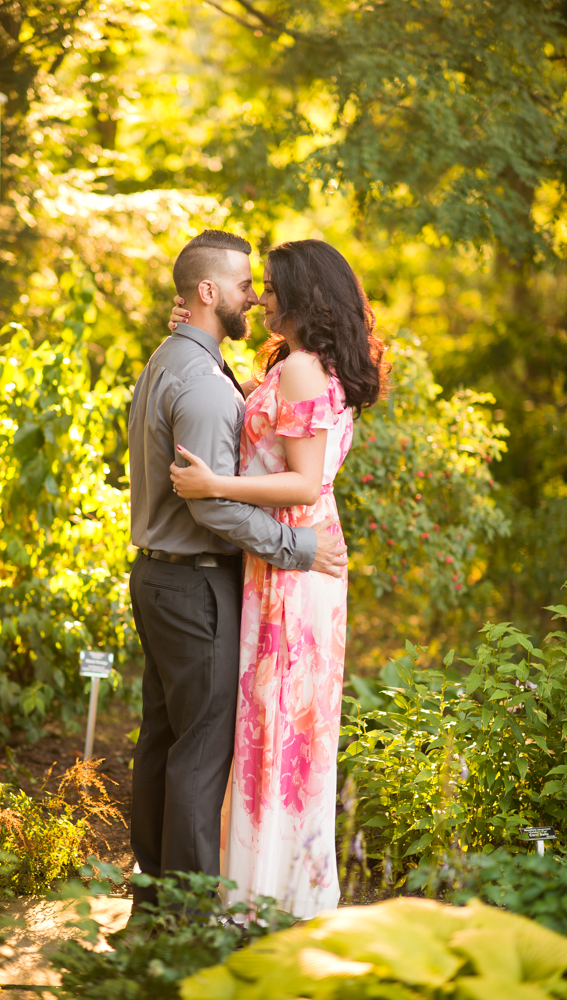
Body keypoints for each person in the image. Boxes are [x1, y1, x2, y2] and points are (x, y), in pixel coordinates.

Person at [127, 229, 346, 911]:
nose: (254, 295)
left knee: (166, 744)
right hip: (195, 583)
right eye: (246, 284)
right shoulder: (201, 380)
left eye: (265, 286)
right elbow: (212, 511)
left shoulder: (179, 360)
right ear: (207, 293)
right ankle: (187, 926)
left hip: (165, 578)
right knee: (199, 753)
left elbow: (259, 434)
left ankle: (156, 909)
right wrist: (300, 550)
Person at [168, 239, 387, 918]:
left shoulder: (299, 367)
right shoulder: (295, 364)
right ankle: (270, 890)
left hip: (296, 562)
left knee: (280, 730)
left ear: (301, 295)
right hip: (285, 557)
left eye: (268, 286)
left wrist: (211, 483)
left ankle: (270, 899)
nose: (259, 296)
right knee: (272, 728)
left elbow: (299, 477)